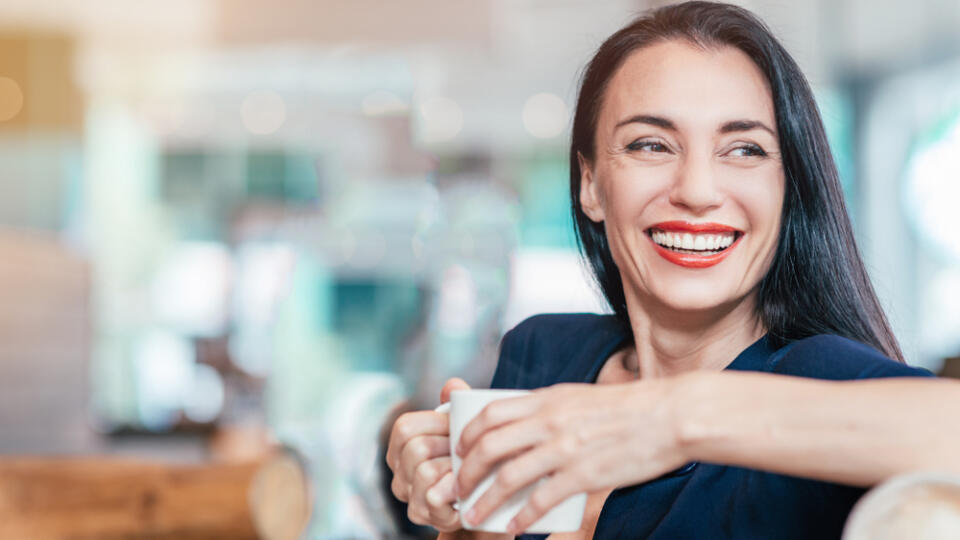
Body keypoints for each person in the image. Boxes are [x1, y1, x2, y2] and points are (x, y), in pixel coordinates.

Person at [385, 2, 952, 538]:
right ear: (590, 184)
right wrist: (462, 512)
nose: (698, 192)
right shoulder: (544, 354)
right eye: (651, 145)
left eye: (744, 150)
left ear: (787, 187)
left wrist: (670, 417)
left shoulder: (819, 375)